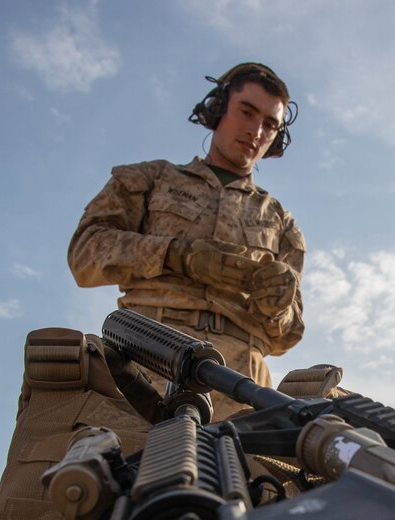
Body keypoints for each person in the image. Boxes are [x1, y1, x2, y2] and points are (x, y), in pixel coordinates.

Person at [68, 62, 306, 420]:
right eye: (246, 112)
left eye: (270, 124)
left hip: (241, 387)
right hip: (142, 363)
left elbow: (288, 333)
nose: (256, 131)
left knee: (249, 477)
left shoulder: (282, 224)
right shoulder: (150, 179)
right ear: (218, 109)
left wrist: (277, 304)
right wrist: (176, 255)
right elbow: (85, 254)